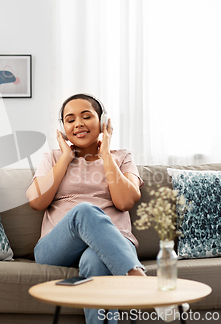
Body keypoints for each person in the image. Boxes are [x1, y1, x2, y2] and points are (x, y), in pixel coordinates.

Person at [26, 93, 146, 324]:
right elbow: (37, 202)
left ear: (102, 122)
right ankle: (137, 277)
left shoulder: (122, 157)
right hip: (56, 248)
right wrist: (65, 158)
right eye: (70, 120)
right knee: (85, 210)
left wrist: (105, 154)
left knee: (95, 261)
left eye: (86, 116)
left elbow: (125, 202)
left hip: (114, 243)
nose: (78, 123)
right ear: (63, 128)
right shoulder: (52, 157)